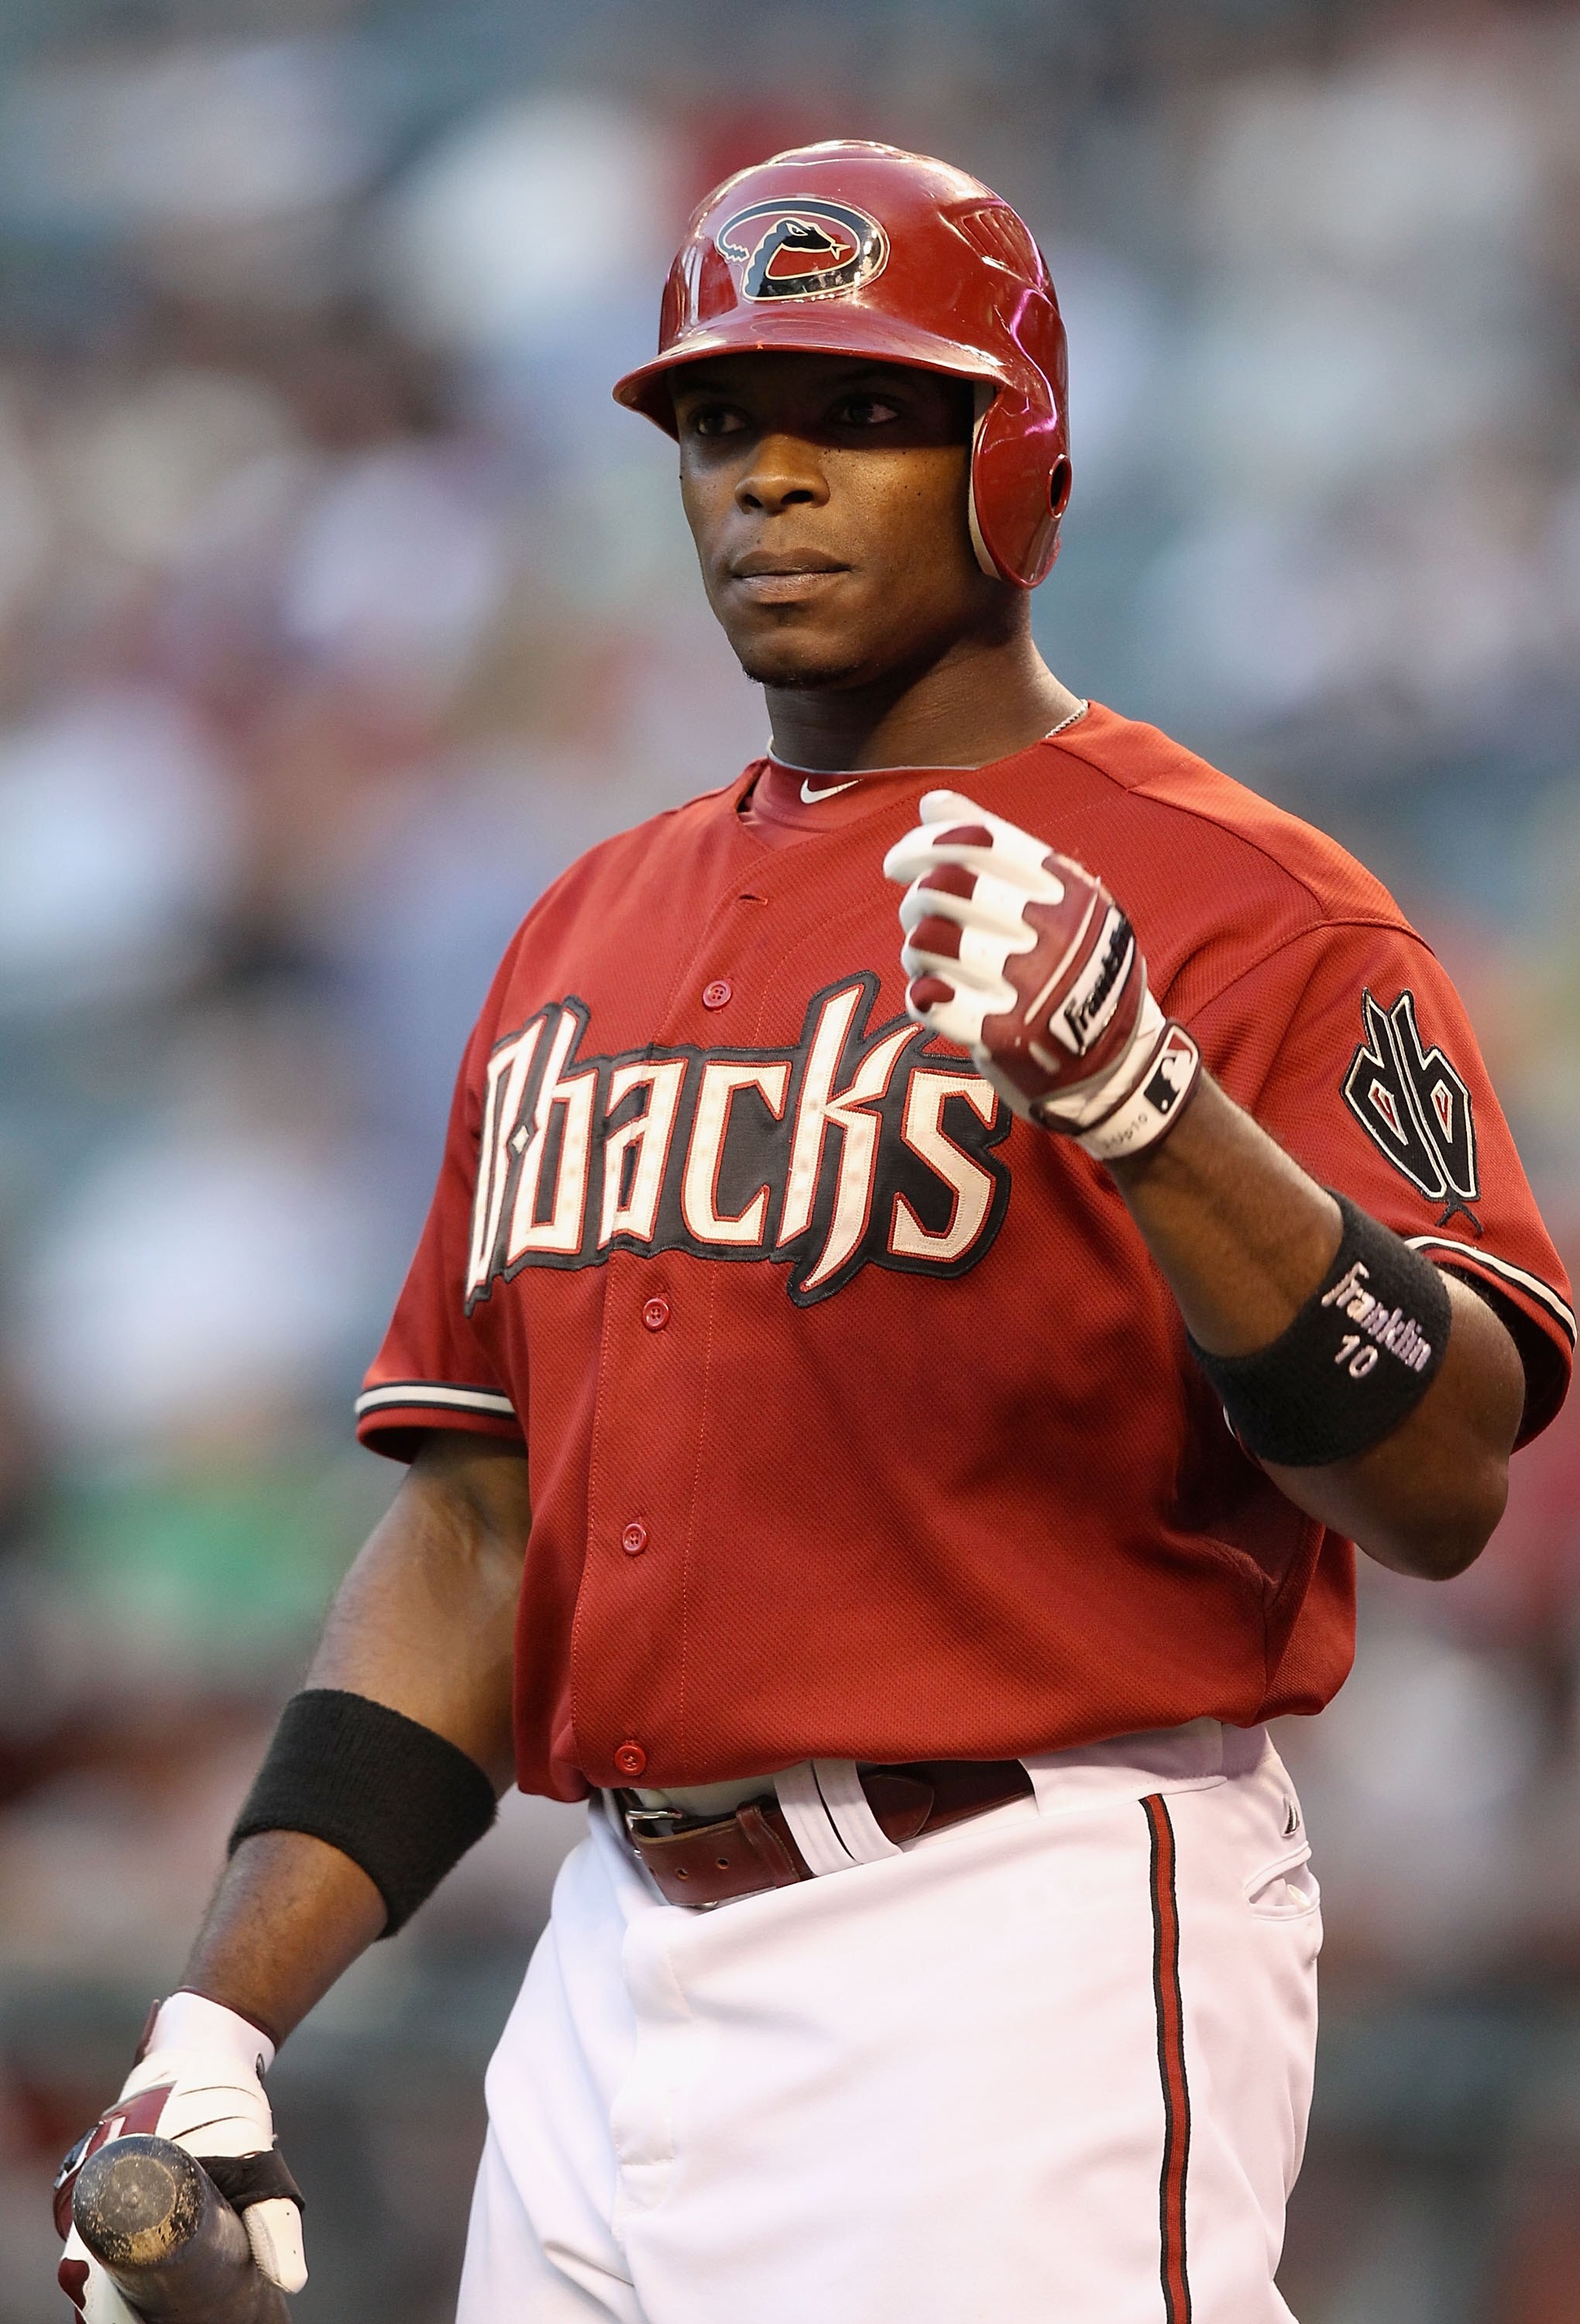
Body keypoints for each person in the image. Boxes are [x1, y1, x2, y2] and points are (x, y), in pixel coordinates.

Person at [56, 141, 1573, 2324]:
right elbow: (481, 1535)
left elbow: (1441, 1476)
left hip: (1015, 1933)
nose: (770, 476)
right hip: (613, 1953)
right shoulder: (587, 925)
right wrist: (222, 2016)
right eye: (721, 421)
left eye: (861, 414)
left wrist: (1151, 1106)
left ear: (1018, 459)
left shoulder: (1259, 906)